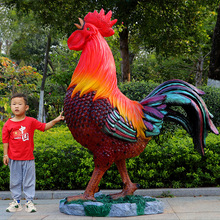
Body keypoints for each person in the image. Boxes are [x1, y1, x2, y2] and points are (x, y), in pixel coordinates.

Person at [2, 93, 64, 213]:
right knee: (14, 181)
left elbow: (44, 127)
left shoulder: (30, 121)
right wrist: (5, 155)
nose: (16, 106)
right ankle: (16, 203)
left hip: (28, 158)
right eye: (14, 104)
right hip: (14, 158)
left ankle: (29, 202)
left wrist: (55, 120)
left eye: (20, 104)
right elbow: (5, 141)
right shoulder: (8, 124)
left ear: (26, 107)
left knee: (29, 181)